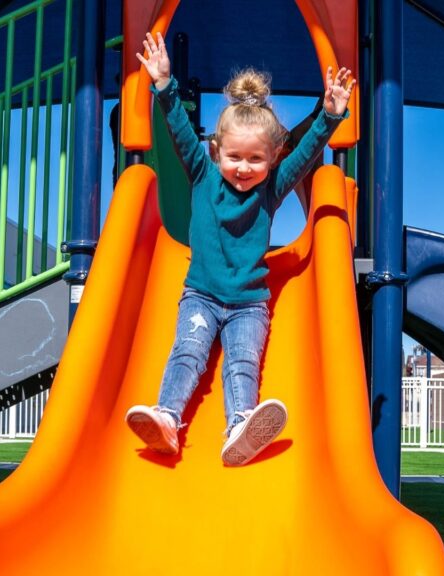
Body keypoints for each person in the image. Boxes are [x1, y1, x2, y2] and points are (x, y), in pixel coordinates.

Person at [125, 32, 354, 466]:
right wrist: (164, 86)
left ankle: (240, 429)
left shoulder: (270, 190)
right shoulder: (203, 174)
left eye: (255, 160)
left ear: (271, 160)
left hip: (250, 304)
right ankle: (167, 420)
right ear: (217, 152)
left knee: (243, 363)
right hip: (202, 296)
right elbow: (178, 132)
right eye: (234, 157)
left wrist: (329, 116)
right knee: (187, 352)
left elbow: (305, 156)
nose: (243, 168)